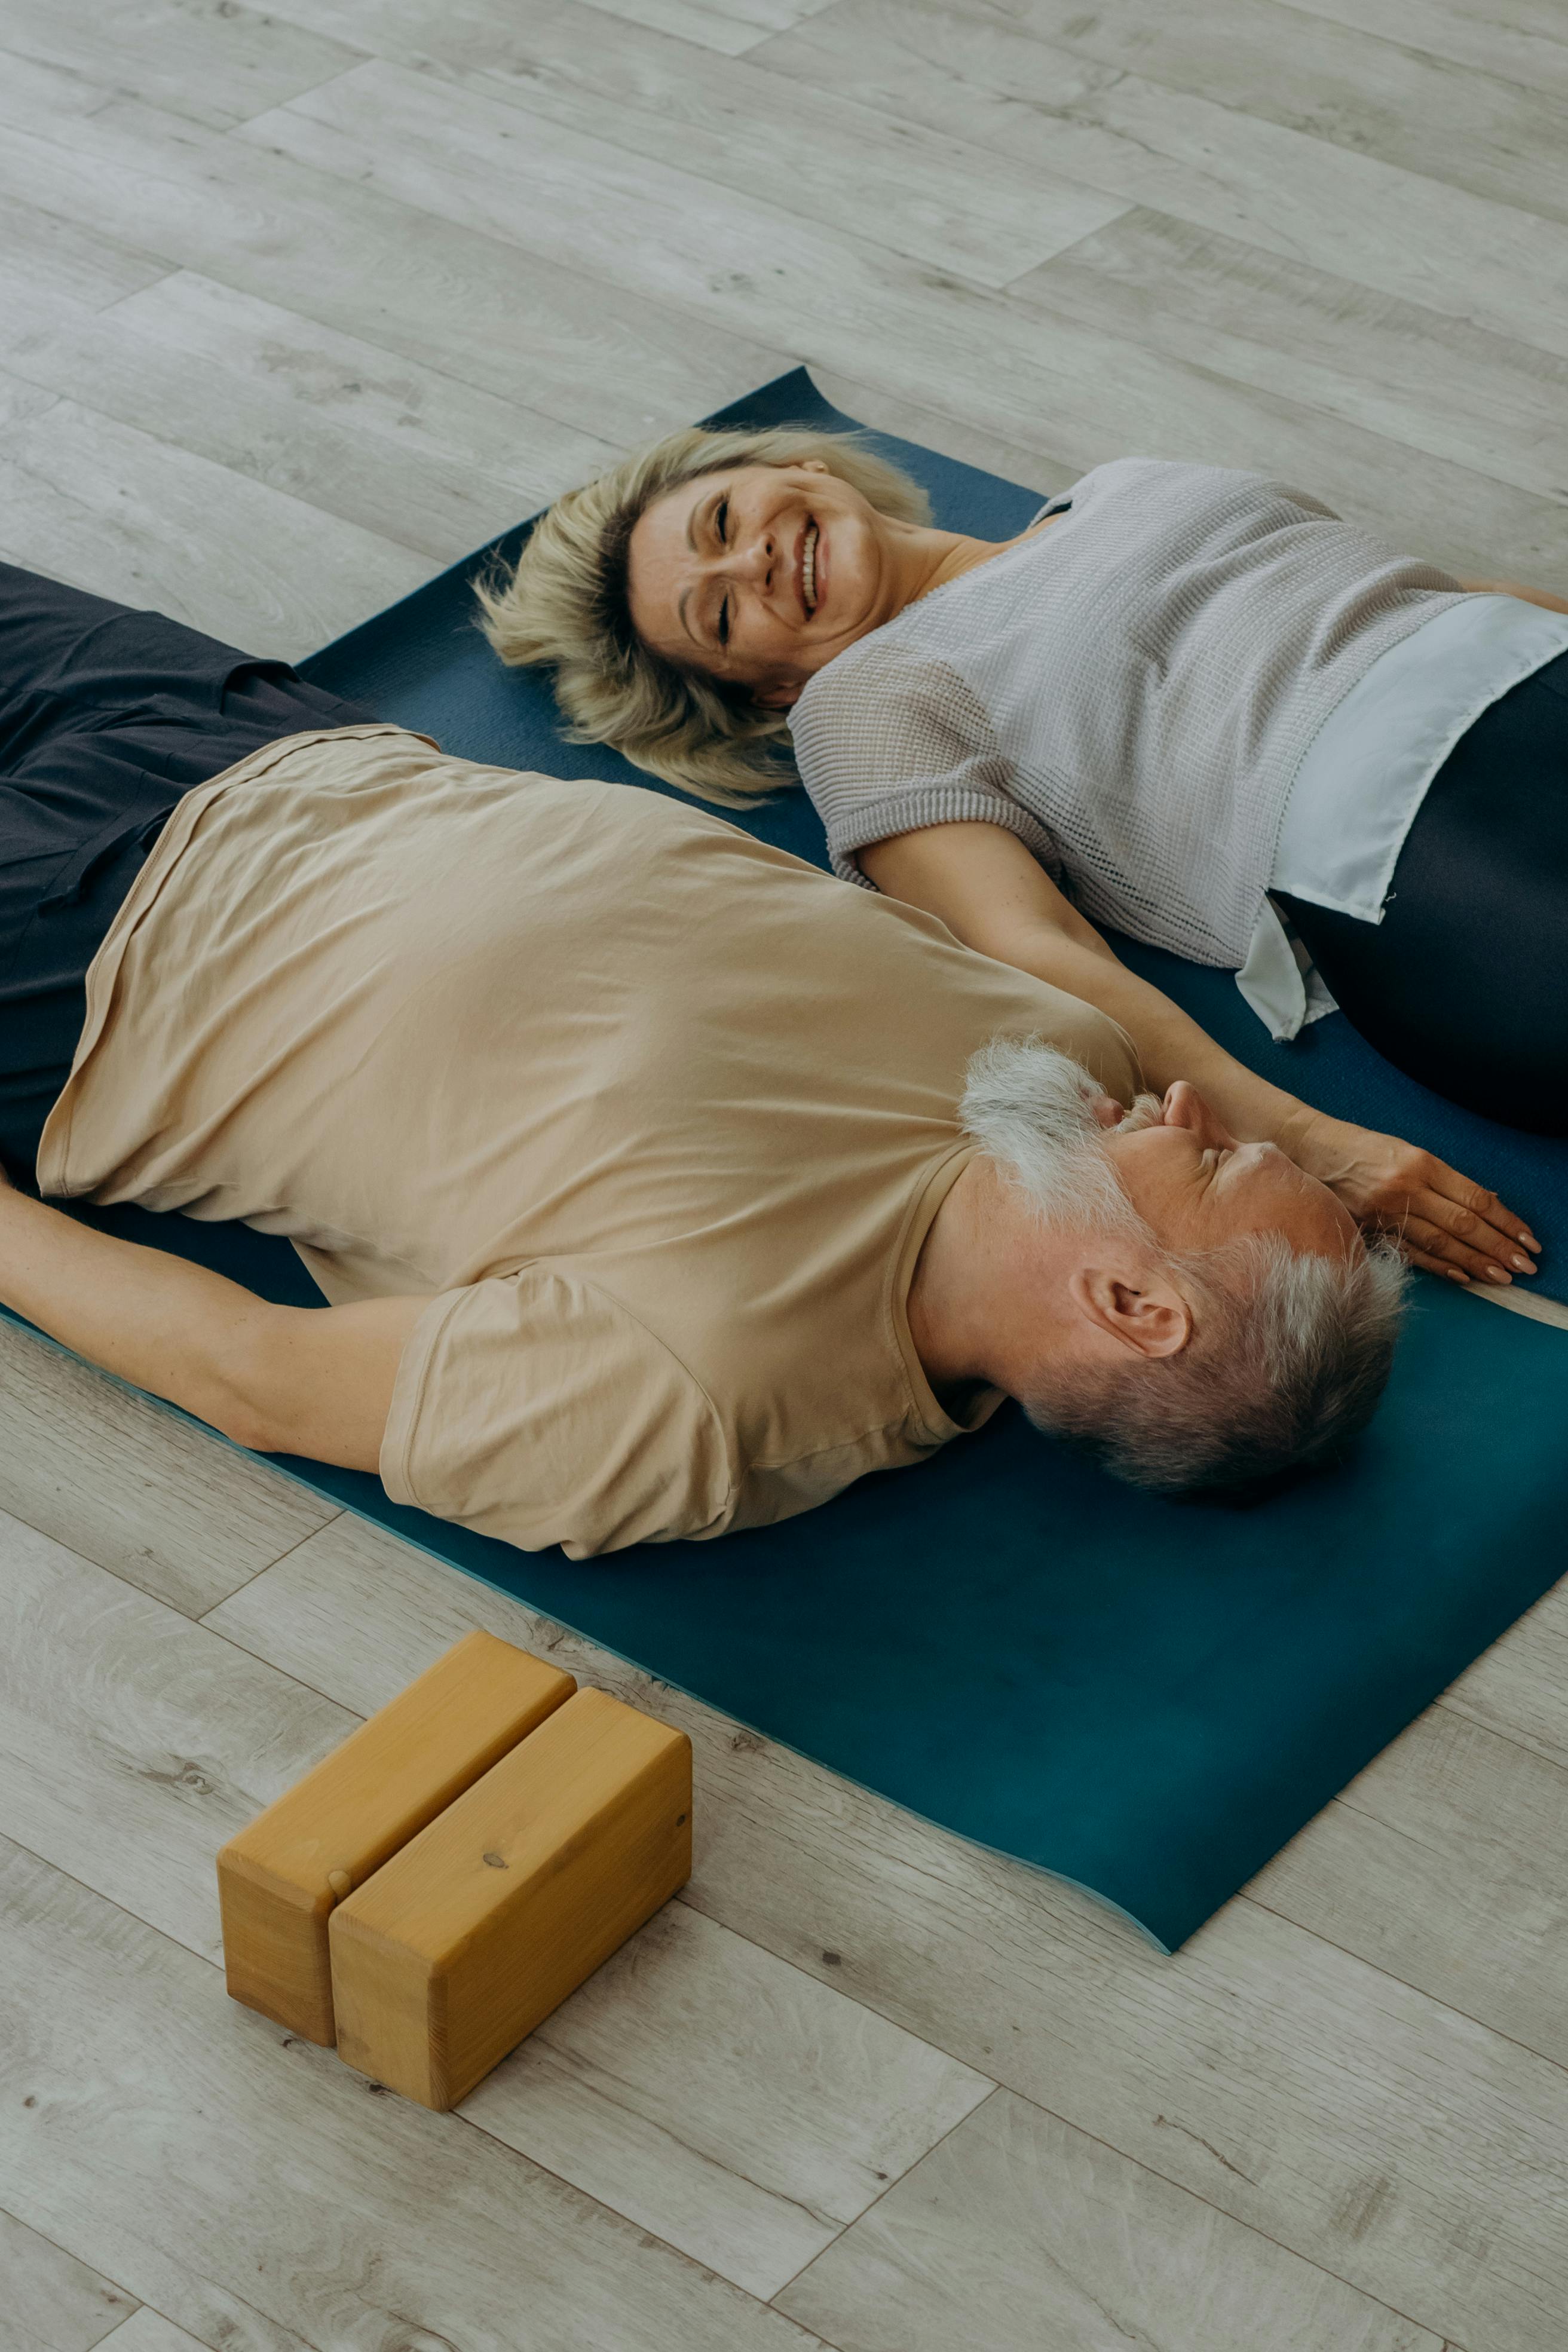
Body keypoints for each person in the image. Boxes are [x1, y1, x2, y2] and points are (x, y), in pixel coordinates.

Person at [1, 566, 1403, 1551]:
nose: (1179, 1105)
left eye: (1206, 1158)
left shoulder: (704, 1399)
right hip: (285, 744)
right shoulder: (1060, 1056)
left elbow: (255, 1374)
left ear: (1128, 1303)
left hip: (86, 969)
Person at [482, 419, 1568, 1218]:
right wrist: (1313, 1144)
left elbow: (1412, 591)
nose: (753, 561)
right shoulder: (865, 704)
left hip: (1519, 663)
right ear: (768, 689)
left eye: (726, 520)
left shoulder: (1124, 479)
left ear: (799, 468)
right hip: (1414, 846)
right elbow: (1031, 950)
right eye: (721, 611)